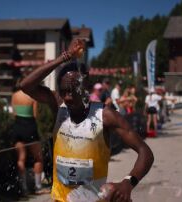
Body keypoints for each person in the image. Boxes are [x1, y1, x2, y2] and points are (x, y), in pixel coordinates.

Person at [19, 39, 154, 202]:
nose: (67, 97)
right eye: (63, 91)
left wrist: (128, 182)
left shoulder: (105, 115)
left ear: (86, 88)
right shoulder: (58, 104)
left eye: (73, 90)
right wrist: (65, 57)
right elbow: (26, 85)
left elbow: (145, 151)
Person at [10, 86, 49, 194]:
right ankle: (38, 187)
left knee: (21, 159)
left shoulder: (14, 95)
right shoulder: (32, 96)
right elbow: (35, 115)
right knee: (38, 158)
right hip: (29, 126)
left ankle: (24, 188)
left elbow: (13, 113)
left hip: (17, 127)